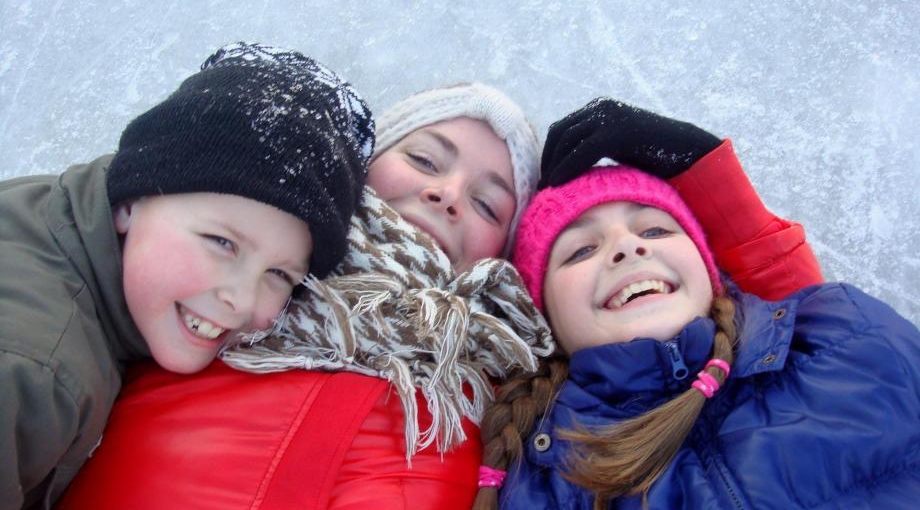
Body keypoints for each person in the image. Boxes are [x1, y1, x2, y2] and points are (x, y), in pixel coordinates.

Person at [58, 97, 824, 510]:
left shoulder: (511, 380)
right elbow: (58, 257)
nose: (447, 194)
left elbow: (805, 347)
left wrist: (706, 180)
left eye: (491, 203)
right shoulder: (222, 297)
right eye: (423, 158)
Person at [474, 111, 920, 508]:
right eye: (580, 250)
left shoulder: (844, 331)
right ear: (545, 316)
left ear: (710, 272)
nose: (628, 247)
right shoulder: (537, 477)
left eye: (654, 228)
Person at [0, 41, 374, 509]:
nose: (240, 298)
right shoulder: (34, 373)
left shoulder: (58, 213)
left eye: (279, 273)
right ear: (130, 201)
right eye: (222, 243)